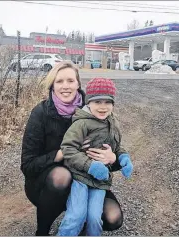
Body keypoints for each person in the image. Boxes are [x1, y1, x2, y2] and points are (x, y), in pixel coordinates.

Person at [21, 61, 125, 236]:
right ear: (52, 85)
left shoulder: (95, 107)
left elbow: (113, 154)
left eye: (70, 80)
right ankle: (42, 232)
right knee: (62, 176)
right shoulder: (41, 113)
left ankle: (81, 228)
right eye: (59, 81)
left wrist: (113, 158)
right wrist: (62, 153)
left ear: (78, 83)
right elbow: (28, 165)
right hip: (50, 184)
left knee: (113, 217)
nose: (65, 86)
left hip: (87, 179)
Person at [57, 78, 134, 236]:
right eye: (97, 101)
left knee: (94, 218)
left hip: (100, 181)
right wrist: (90, 165)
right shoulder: (81, 124)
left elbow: (116, 147)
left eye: (108, 102)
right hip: (80, 178)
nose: (103, 107)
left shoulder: (112, 123)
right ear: (88, 103)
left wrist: (122, 158)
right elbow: (68, 148)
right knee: (76, 216)